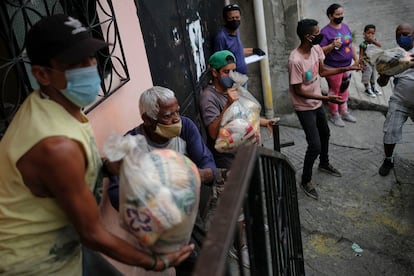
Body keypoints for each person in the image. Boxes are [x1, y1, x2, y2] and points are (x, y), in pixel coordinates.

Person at [0, 14, 193, 274]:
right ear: (42, 74)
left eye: (91, 57)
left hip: (68, 245)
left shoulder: (58, 106)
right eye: (76, 63)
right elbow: (93, 233)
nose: (91, 67)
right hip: (39, 264)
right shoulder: (55, 146)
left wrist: (109, 167)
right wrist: (157, 262)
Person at [106, 86, 217, 275]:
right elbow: (117, 193)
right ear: (147, 120)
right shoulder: (132, 144)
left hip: (187, 215)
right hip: (152, 226)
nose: (176, 119)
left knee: (203, 257)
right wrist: (147, 193)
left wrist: (197, 174)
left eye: (177, 112)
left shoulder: (186, 127)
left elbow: (207, 164)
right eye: (168, 116)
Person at [199, 49, 276, 268]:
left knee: (249, 197)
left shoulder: (233, 89)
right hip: (226, 164)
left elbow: (245, 115)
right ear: (214, 73)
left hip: (245, 156)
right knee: (236, 210)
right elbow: (214, 133)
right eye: (226, 71)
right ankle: (238, 247)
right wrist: (227, 105)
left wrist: (263, 122)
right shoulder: (209, 97)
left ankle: (253, 228)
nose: (231, 75)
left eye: (233, 70)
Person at [288, 19, 361, 200]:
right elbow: (299, 91)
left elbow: (323, 71)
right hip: (304, 106)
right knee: (314, 145)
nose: (320, 35)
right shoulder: (295, 60)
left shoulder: (315, 49)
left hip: (318, 102)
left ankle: (324, 163)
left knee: (325, 134)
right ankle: (305, 180)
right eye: (317, 32)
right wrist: (326, 98)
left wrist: (348, 67)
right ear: (307, 36)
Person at [377, 23, 414, 176]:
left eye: (405, 34)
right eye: (398, 35)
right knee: (390, 132)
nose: (402, 38)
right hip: (399, 101)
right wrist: (386, 74)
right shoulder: (393, 56)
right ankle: (388, 159)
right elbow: (381, 83)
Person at [319, 3, 359, 127]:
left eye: (341, 14)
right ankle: (334, 114)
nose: (340, 16)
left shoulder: (345, 27)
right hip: (333, 68)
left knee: (344, 88)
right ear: (330, 16)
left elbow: (351, 44)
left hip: (348, 65)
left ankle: (344, 111)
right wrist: (331, 46)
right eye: (337, 14)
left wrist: (356, 60)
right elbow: (319, 51)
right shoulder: (325, 32)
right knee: (334, 91)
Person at [214, 3, 265, 76]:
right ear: (225, 19)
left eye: (237, 17)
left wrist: (253, 50)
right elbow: (218, 61)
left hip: (242, 77)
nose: (235, 20)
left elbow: (236, 51)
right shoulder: (221, 37)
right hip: (232, 79)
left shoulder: (236, 31)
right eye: (231, 18)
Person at [359, 24, 382, 98]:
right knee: (367, 75)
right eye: (368, 33)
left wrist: (373, 41)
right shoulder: (363, 44)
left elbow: (379, 45)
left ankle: (373, 87)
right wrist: (361, 63)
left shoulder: (374, 41)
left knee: (373, 75)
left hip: (373, 61)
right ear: (364, 34)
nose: (370, 35)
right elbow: (361, 55)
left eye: (372, 33)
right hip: (366, 62)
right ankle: (367, 89)